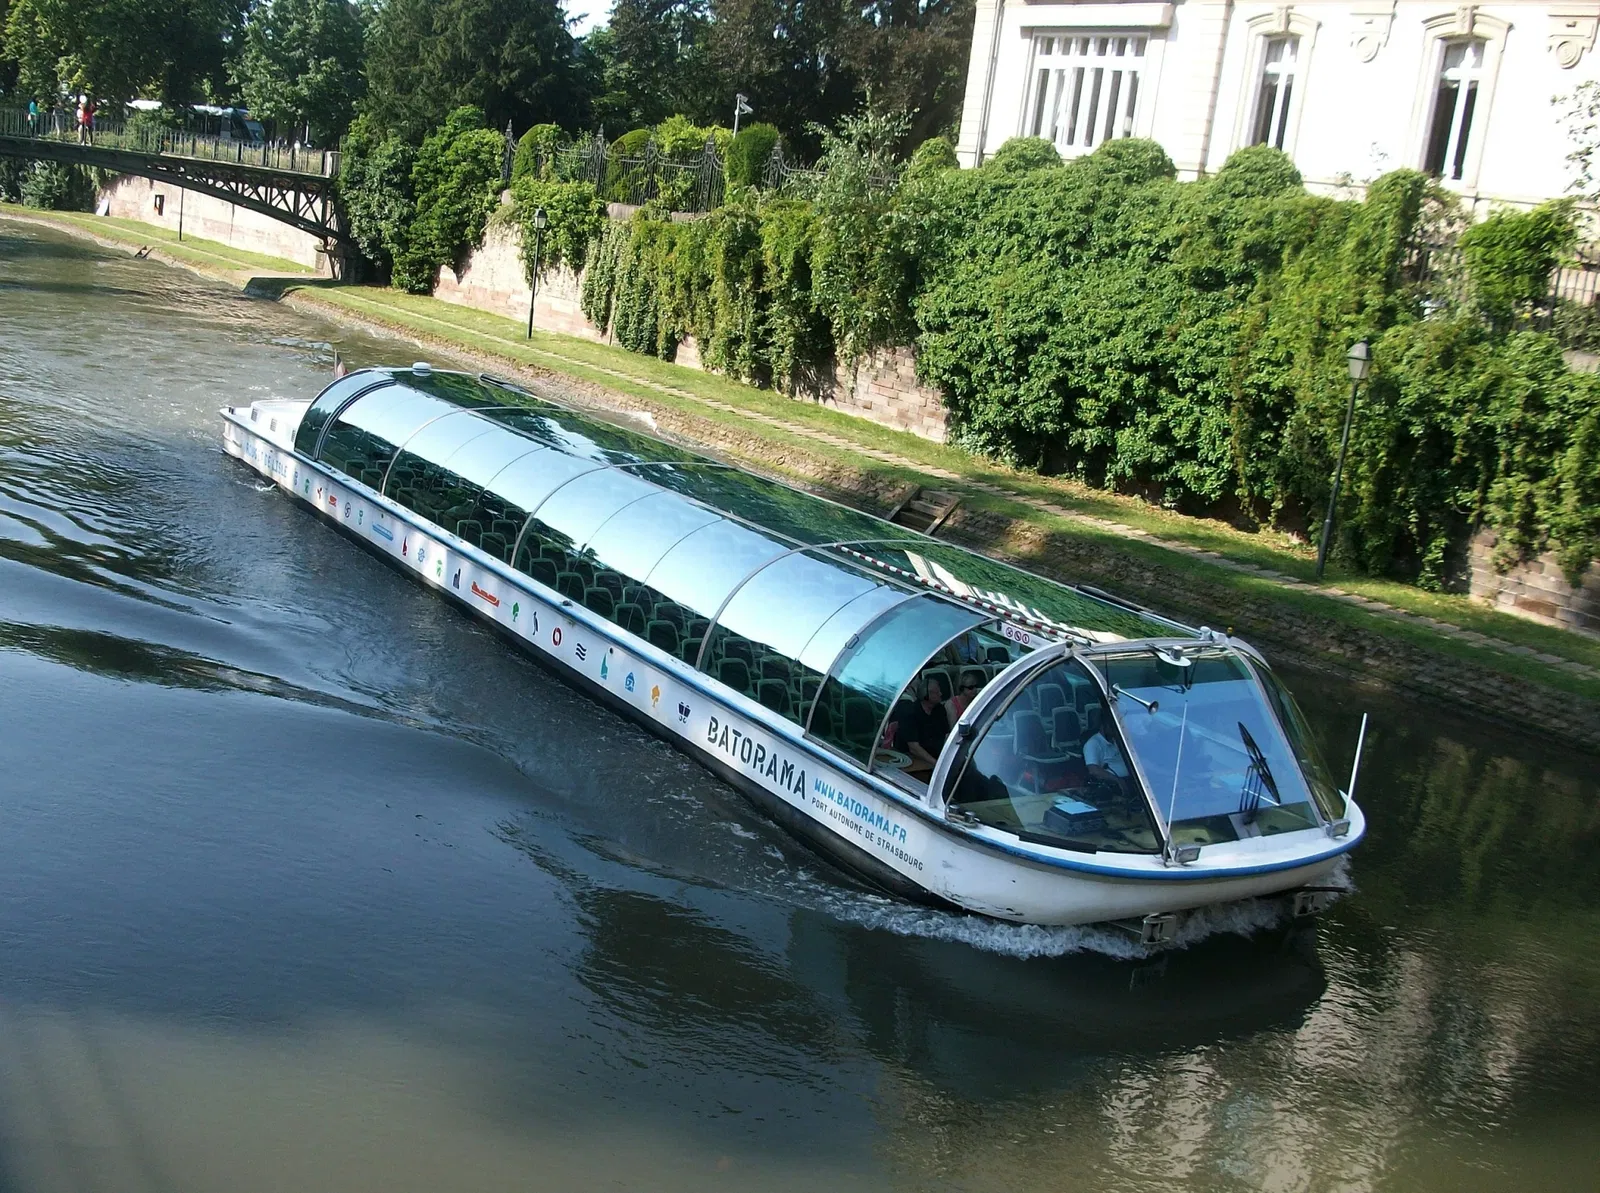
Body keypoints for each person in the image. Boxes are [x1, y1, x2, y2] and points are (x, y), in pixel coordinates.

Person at [894, 675, 951, 770]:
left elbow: (946, 735)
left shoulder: (940, 710)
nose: (941, 694)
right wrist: (937, 764)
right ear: (926, 695)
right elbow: (914, 748)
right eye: (937, 692)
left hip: (936, 755)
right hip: (912, 759)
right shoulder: (910, 713)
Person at [1083, 708, 1131, 789]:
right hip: (1114, 784)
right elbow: (1094, 770)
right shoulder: (1093, 743)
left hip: (1133, 780)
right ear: (1103, 725)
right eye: (1112, 725)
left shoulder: (1119, 741)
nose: (1116, 728)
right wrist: (1117, 780)